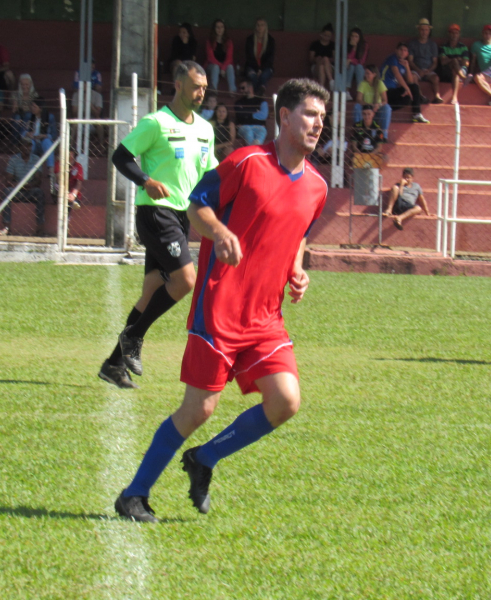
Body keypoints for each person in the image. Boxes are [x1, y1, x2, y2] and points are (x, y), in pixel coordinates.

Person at [113, 78, 329, 523]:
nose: (317, 124)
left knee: (285, 401)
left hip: (266, 317)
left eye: (322, 117)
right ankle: (133, 495)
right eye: (309, 114)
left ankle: (204, 459)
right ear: (284, 117)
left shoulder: (317, 188)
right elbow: (196, 206)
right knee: (199, 409)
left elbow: (298, 237)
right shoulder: (246, 162)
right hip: (219, 308)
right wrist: (220, 231)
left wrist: (297, 269)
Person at [99, 61, 218, 389]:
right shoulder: (156, 123)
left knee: (151, 292)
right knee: (186, 280)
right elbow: (121, 156)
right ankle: (133, 339)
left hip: (182, 215)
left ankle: (113, 364)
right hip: (155, 211)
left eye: (204, 88)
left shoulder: (206, 130)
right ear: (178, 85)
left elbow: (211, 175)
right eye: (196, 86)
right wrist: (146, 180)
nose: (201, 93)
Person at [0, 140, 46, 236]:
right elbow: (8, 180)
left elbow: (38, 180)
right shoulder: (14, 159)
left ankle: (40, 228)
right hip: (16, 190)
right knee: (7, 191)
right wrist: (18, 185)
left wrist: (30, 185)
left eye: (29, 146)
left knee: (40, 193)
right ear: (20, 147)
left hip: (31, 189)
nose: (27, 148)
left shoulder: (36, 159)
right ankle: (6, 227)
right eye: (25, 146)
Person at [380, 42, 429, 124]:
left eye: (405, 50)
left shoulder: (403, 63)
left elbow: (410, 81)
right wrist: (407, 89)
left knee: (412, 91)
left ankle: (416, 114)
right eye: (401, 49)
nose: (403, 52)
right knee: (410, 92)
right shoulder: (393, 58)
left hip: (393, 91)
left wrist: (407, 67)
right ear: (396, 50)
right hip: (384, 90)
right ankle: (381, 109)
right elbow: (397, 74)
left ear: (407, 53)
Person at [408, 18, 444, 104]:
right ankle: (420, 96)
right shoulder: (412, 44)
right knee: (413, 77)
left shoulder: (433, 45)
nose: (424, 32)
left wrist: (429, 70)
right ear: (419, 30)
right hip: (417, 70)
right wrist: (418, 70)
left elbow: (435, 62)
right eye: (422, 30)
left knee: (436, 78)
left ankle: (437, 96)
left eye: (426, 30)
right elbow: (410, 61)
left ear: (429, 31)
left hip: (429, 70)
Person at [353, 64, 391, 136]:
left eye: (368, 73)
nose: (366, 75)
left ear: (374, 74)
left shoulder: (380, 83)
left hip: (377, 110)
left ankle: (383, 135)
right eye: (365, 73)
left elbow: (385, 100)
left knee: (387, 108)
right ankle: (357, 132)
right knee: (357, 106)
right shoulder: (363, 84)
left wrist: (378, 105)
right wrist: (369, 105)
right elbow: (358, 99)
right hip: (366, 110)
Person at [437, 23, 469, 106]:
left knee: (455, 71)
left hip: (461, 70)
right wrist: (456, 59)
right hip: (446, 72)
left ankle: (454, 97)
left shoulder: (463, 47)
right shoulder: (443, 47)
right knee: (454, 62)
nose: (454, 35)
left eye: (456, 33)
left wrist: (450, 59)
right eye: (452, 33)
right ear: (449, 34)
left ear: (459, 34)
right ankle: (464, 78)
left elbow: (466, 63)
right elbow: (443, 61)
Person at [18, 102, 57, 169]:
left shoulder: (50, 117)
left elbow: (54, 135)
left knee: (47, 142)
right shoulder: (29, 116)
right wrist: (27, 133)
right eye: (32, 106)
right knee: (29, 143)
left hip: (43, 142)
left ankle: (51, 170)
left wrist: (44, 135)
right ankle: (29, 168)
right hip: (33, 141)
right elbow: (21, 131)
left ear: (40, 108)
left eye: (35, 107)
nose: (32, 108)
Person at [244, 18, 275, 95]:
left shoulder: (270, 40)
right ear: (255, 27)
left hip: (266, 67)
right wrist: (257, 69)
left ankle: (257, 95)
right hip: (251, 66)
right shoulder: (250, 40)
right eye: (258, 25)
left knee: (263, 76)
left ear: (265, 27)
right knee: (253, 77)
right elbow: (249, 57)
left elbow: (270, 58)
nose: (260, 27)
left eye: (262, 25)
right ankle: (260, 93)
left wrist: (261, 69)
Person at [234, 80, 269, 146]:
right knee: (248, 130)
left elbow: (264, 115)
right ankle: (254, 151)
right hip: (244, 127)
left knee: (262, 131)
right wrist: (255, 112)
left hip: (259, 127)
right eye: (240, 88)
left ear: (250, 88)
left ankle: (253, 151)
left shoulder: (261, 101)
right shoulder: (238, 102)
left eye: (243, 88)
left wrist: (246, 112)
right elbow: (239, 115)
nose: (241, 90)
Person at [206, 19, 236, 93]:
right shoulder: (209, 41)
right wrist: (221, 67)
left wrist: (223, 67)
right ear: (214, 29)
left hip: (224, 67)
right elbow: (211, 58)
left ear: (224, 29)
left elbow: (229, 58)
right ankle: (213, 91)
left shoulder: (228, 42)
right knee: (216, 67)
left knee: (230, 67)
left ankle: (232, 91)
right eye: (217, 27)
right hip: (212, 66)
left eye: (221, 27)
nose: (219, 29)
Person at [350, 104, 385, 169]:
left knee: (384, 158)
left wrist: (369, 156)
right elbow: (354, 145)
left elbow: (379, 147)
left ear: (373, 114)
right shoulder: (356, 126)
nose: (366, 116)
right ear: (362, 115)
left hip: (373, 154)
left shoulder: (378, 127)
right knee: (353, 157)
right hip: (359, 154)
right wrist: (362, 155)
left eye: (369, 114)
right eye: (364, 114)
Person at [11, 73, 41, 140]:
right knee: (17, 118)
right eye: (22, 84)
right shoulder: (15, 94)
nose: (24, 86)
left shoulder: (34, 95)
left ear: (30, 84)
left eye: (26, 84)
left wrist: (24, 108)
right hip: (18, 114)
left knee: (28, 115)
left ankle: (22, 137)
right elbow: (14, 109)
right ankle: (15, 141)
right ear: (20, 84)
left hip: (30, 115)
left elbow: (35, 109)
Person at [339, 28, 368, 92]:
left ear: (360, 38)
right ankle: (346, 90)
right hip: (347, 68)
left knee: (359, 66)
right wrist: (354, 48)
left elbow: (361, 61)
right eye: (352, 36)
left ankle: (360, 91)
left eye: (356, 36)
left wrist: (351, 60)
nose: (354, 38)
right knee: (351, 66)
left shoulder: (364, 45)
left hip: (359, 69)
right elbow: (346, 60)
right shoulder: (346, 44)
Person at [308, 23, 335, 90]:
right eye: (325, 35)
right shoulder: (315, 44)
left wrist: (327, 60)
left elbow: (335, 59)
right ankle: (331, 81)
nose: (326, 37)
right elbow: (311, 59)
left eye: (328, 36)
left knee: (323, 63)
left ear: (331, 36)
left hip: (329, 67)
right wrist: (316, 59)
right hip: (316, 67)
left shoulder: (332, 45)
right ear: (321, 34)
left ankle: (321, 89)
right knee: (320, 65)